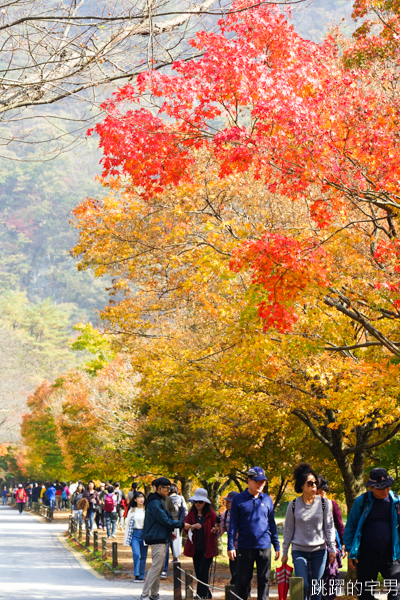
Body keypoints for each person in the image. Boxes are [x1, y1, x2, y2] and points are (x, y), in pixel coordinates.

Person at [343, 467, 400, 600]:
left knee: (396, 594)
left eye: (387, 487)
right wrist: (351, 550)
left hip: (390, 556)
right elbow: (350, 526)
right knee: (365, 595)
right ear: (371, 488)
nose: (385, 491)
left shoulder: (396, 502)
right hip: (366, 556)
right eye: (381, 488)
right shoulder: (361, 502)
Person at [282, 463, 336, 600]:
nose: (314, 486)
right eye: (310, 483)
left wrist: (332, 549)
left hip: (319, 550)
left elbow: (329, 527)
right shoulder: (293, 505)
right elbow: (288, 530)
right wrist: (284, 552)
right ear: (302, 486)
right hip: (299, 550)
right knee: (303, 585)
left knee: (316, 587)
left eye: (315, 483)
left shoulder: (324, 504)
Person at [229, 467, 280, 600]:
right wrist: (230, 546)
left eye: (263, 482)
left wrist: (277, 545)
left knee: (264, 581)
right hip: (245, 547)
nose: (260, 484)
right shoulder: (238, 499)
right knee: (242, 582)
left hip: (264, 546)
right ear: (249, 480)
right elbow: (233, 524)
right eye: (257, 481)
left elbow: (272, 524)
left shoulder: (267, 499)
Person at [139, 477, 184, 600]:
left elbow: (161, 522)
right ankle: (144, 595)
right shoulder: (154, 502)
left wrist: (169, 532)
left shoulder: (159, 500)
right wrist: (182, 524)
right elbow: (163, 519)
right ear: (158, 488)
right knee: (156, 567)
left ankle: (154, 594)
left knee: (158, 568)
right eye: (166, 488)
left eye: (169, 488)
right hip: (157, 538)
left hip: (161, 537)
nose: (168, 491)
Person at [184, 488, 219, 600]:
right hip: (195, 548)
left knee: (203, 571)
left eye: (200, 502)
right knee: (199, 572)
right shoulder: (191, 514)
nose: (198, 504)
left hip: (208, 548)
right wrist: (192, 527)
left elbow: (218, 528)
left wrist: (215, 530)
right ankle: (206, 592)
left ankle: (201, 595)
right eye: (196, 501)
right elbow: (185, 528)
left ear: (205, 502)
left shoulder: (211, 514)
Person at [316, 475, 346, 600]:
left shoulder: (332, 504)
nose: (322, 493)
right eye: (320, 490)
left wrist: (344, 543)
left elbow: (340, 525)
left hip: (330, 547)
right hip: (313, 546)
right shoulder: (305, 505)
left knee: (331, 577)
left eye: (324, 490)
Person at [123, 491, 148, 582]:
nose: (141, 499)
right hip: (135, 534)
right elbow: (128, 525)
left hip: (144, 534)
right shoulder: (132, 511)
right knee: (136, 554)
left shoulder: (147, 510)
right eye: (139, 497)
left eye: (142, 497)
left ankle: (141, 575)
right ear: (135, 499)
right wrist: (127, 538)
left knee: (143, 556)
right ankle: (136, 574)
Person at [220, 491, 239, 585]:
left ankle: (246, 592)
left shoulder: (243, 513)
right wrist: (216, 530)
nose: (226, 503)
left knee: (244, 572)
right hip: (232, 548)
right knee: (234, 572)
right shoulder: (225, 514)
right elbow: (221, 529)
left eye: (229, 501)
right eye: (226, 501)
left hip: (244, 547)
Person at [169, 483, 188, 561]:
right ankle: (176, 556)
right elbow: (184, 511)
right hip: (179, 522)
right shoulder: (181, 498)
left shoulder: (167, 499)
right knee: (177, 538)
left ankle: (174, 554)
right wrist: (181, 522)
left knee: (170, 539)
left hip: (169, 522)